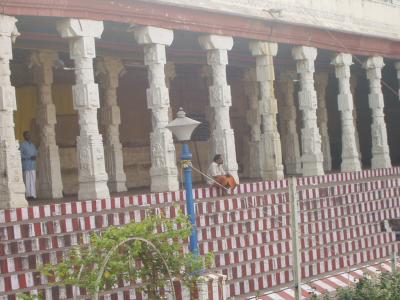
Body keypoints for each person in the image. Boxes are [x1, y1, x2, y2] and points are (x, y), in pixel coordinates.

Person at [20, 131, 38, 200]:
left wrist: (35, 156)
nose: (29, 136)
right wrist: (28, 157)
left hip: (33, 165)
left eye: (29, 135)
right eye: (27, 135)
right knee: (27, 181)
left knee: (33, 180)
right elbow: (20, 155)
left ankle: (33, 195)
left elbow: (36, 152)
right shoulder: (22, 145)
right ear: (24, 136)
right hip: (26, 165)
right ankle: (28, 195)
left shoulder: (32, 145)